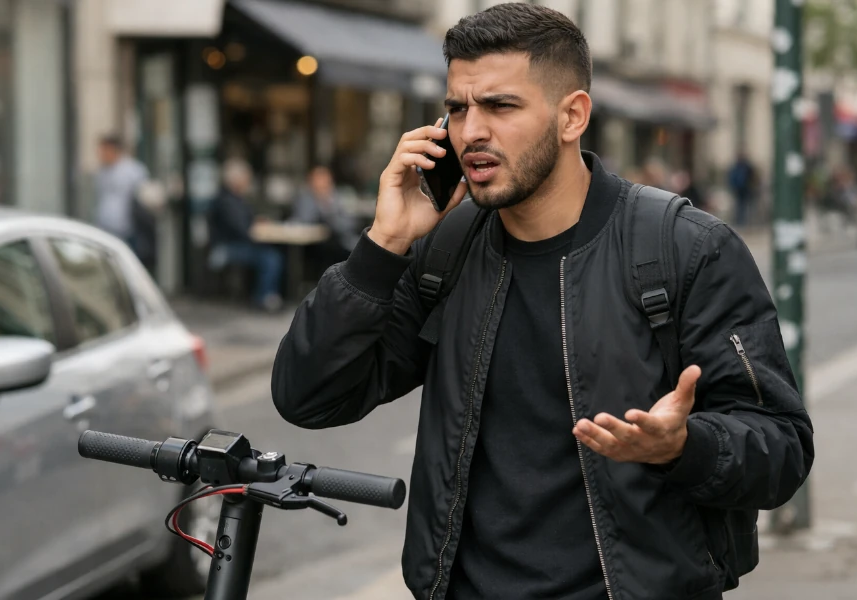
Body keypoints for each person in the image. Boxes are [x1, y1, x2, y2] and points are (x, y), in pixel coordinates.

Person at [272, 4, 814, 600]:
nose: (471, 130)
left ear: (571, 116)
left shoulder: (685, 249)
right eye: (457, 108)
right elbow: (309, 398)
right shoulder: (444, 251)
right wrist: (384, 246)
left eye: (500, 106)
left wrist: (684, 446)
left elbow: (781, 447)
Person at [207, 159, 284, 312]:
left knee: (271, 254)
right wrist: (257, 229)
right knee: (270, 258)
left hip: (236, 244)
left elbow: (247, 222)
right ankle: (263, 297)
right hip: (226, 248)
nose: (248, 182)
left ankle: (268, 294)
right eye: (246, 178)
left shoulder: (237, 199)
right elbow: (241, 230)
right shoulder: (226, 201)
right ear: (237, 180)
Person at [95, 134, 156, 270]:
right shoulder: (102, 172)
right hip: (106, 229)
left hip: (128, 231)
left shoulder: (133, 170)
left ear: (113, 149)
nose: (101, 154)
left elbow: (146, 197)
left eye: (104, 150)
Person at [290, 165, 360, 261]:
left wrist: (328, 208)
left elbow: (350, 224)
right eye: (317, 179)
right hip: (314, 246)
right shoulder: (305, 198)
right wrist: (319, 201)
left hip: (341, 242)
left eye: (324, 179)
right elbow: (302, 220)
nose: (321, 183)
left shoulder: (339, 197)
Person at [727, 152, 757, 226]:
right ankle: (741, 221)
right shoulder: (742, 167)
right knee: (741, 206)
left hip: (743, 189)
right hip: (741, 190)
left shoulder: (742, 167)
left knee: (742, 206)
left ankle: (742, 221)